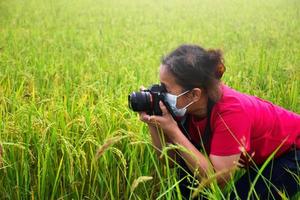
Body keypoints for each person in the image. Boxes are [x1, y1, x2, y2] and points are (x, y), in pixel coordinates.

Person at [138, 44, 300, 199]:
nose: (160, 93)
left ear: (194, 94)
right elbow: (170, 159)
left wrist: (173, 131)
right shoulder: (186, 107)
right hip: (261, 154)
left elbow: (217, 179)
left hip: (293, 152)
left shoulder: (232, 113)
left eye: (166, 89)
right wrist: (153, 121)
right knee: (187, 178)